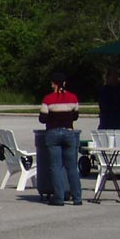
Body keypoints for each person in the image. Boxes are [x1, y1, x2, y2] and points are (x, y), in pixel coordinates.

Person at [39, 72, 82, 206]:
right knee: (72, 167)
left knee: (56, 167)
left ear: (54, 84)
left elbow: (42, 118)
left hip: (53, 133)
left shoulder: (48, 99)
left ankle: (59, 197)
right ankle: (77, 197)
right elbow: (75, 116)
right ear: (64, 83)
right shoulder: (73, 97)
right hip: (68, 132)